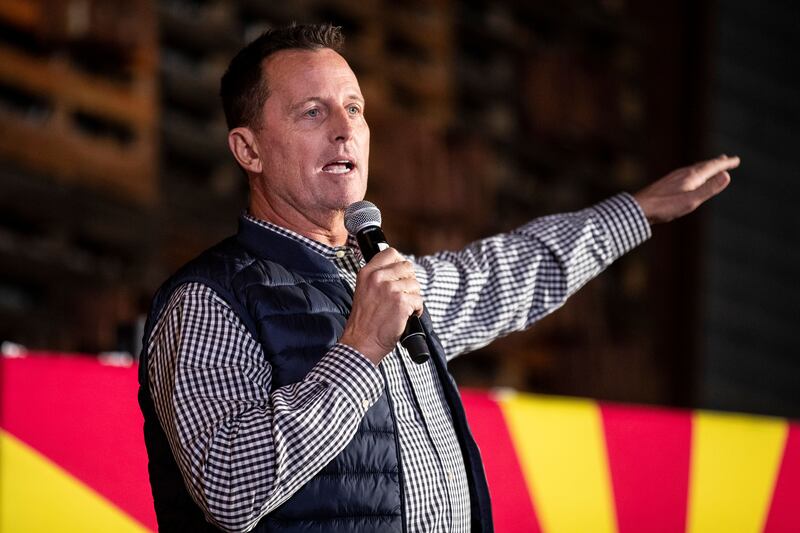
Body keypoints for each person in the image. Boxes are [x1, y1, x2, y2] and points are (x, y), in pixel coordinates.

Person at [138, 23, 739, 533]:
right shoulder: (208, 300)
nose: (344, 129)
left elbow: (507, 275)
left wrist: (640, 211)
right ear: (248, 150)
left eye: (354, 109)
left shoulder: (382, 281)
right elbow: (231, 486)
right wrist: (360, 350)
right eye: (312, 112)